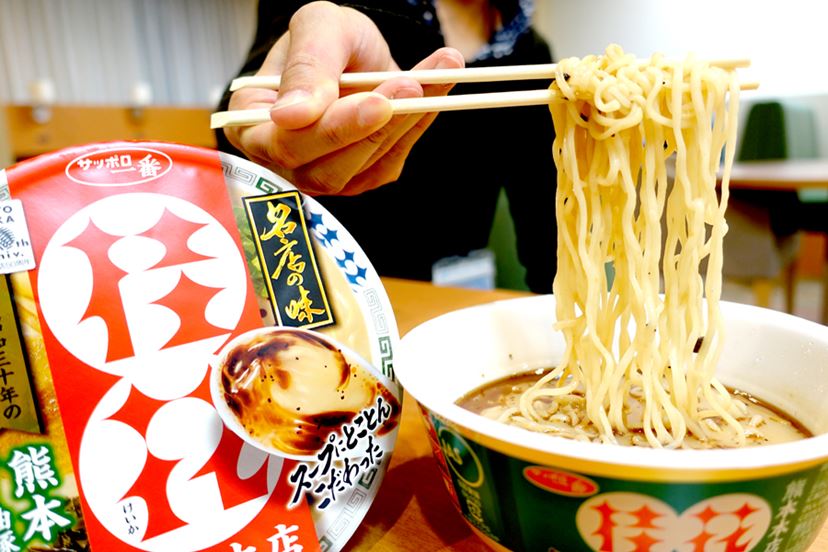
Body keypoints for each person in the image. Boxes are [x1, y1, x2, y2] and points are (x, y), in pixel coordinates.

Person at [216, 0, 558, 293]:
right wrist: (272, 118)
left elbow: (545, 218)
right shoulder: (351, 9)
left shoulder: (532, 53)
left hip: (453, 299)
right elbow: (244, 113)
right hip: (329, 292)